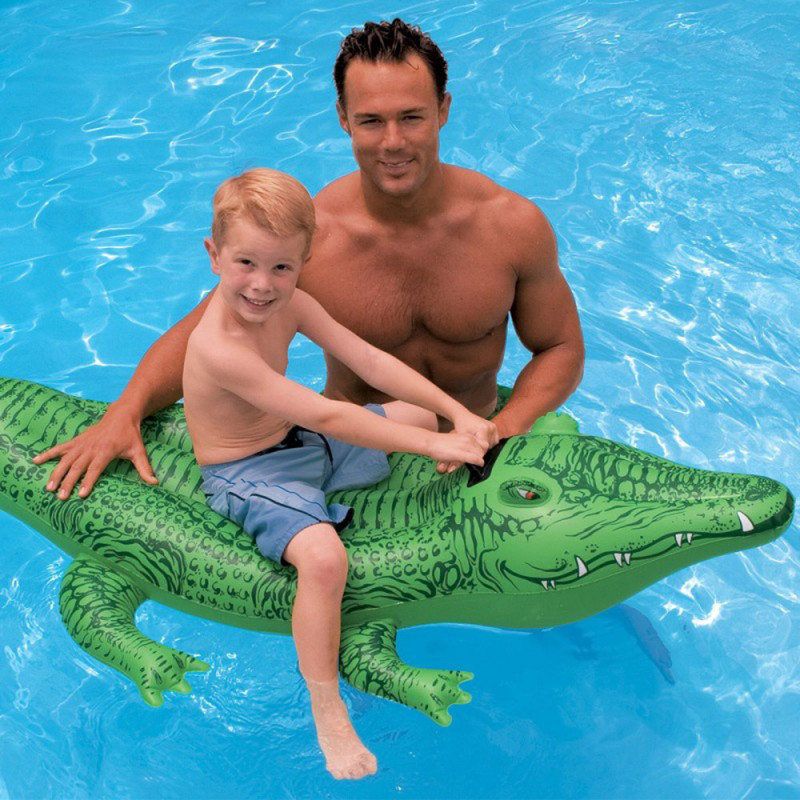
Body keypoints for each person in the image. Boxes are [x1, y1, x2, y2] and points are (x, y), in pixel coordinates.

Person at [35, 17, 584, 504]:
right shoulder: (312, 237)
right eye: (371, 121)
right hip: (349, 450)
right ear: (343, 118)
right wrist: (125, 411)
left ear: (443, 110)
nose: (393, 142)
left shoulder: (510, 226)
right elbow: (204, 331)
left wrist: (504, 429)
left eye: (412, 117)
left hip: (480, 437)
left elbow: (560, 346)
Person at [184, 167, 497, 780]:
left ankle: (431, 432)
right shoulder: (220, 348)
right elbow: (329, 413)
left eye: (282, 267)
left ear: (305, 262)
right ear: (214, 255)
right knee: (325, 560)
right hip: (249, 471)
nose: (262, 284)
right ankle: (325, 705)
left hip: (300, 441)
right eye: (245, 263)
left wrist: (455, 415)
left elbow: (370, 360)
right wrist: (437, 443)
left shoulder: (293, 304)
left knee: (419, 412)